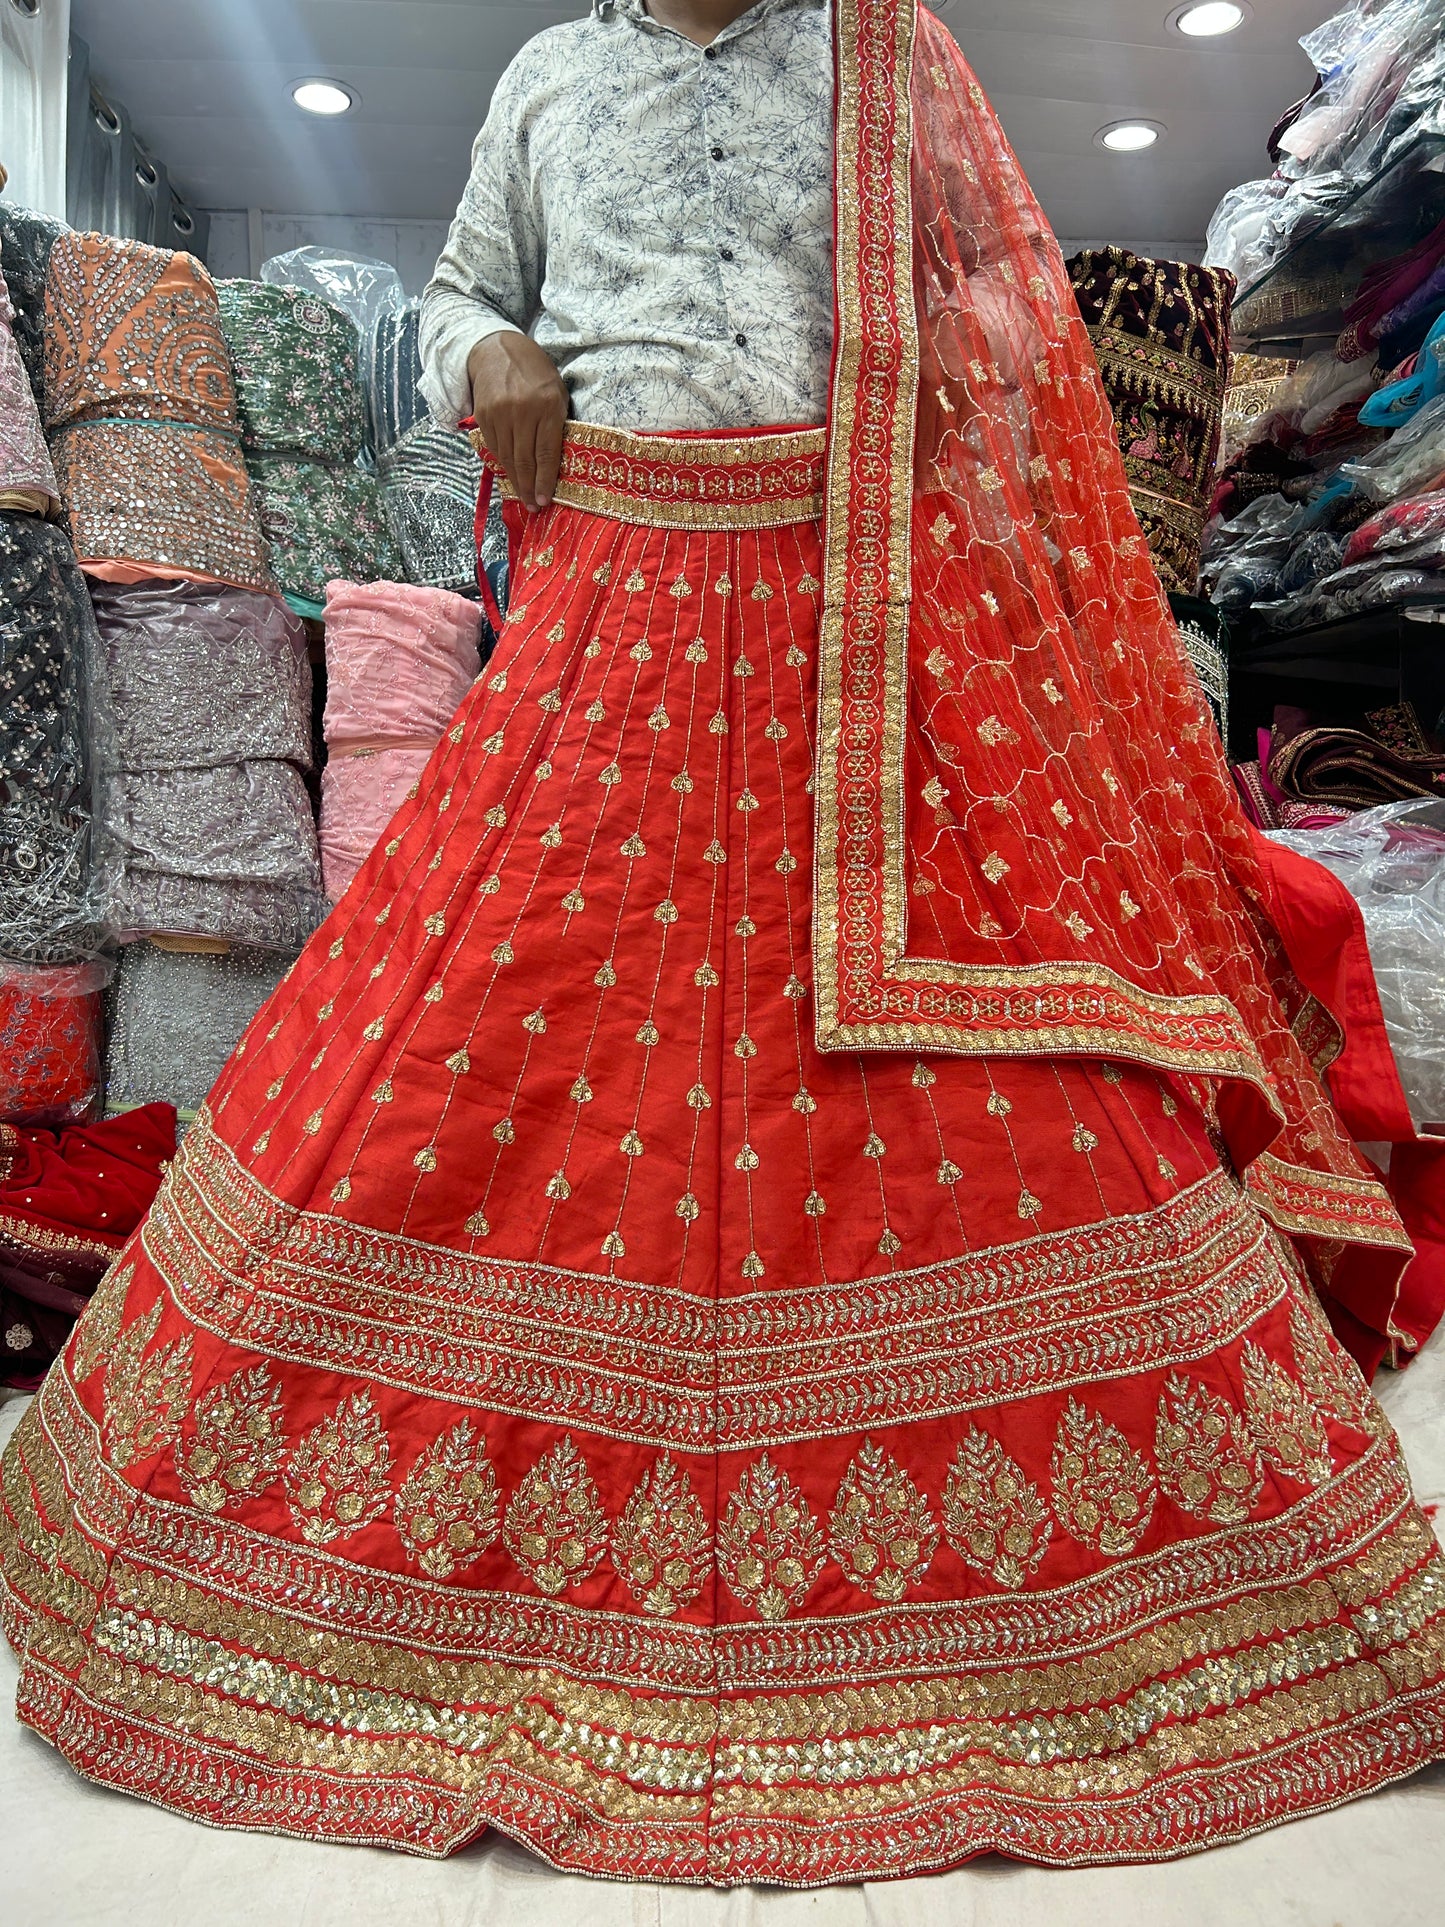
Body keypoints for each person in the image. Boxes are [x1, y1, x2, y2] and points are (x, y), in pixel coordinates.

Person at [4, 0, 1444, 1887]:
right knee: (473, 1018)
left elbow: (997, 347)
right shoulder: (546, 77)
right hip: (606, 609)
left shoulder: (882, 56)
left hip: (848, 632)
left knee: (954, 1067)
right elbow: (454, 298)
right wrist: (491, 344)